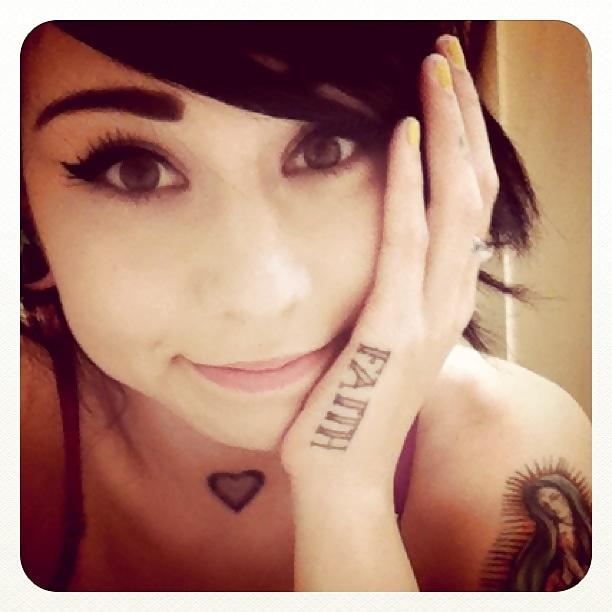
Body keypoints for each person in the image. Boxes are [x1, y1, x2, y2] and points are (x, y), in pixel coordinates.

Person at [20, 21, 591, 591]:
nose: (259, 298)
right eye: (135, 171)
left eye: (325, 149)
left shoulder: (515, 456)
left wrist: (346, 495)